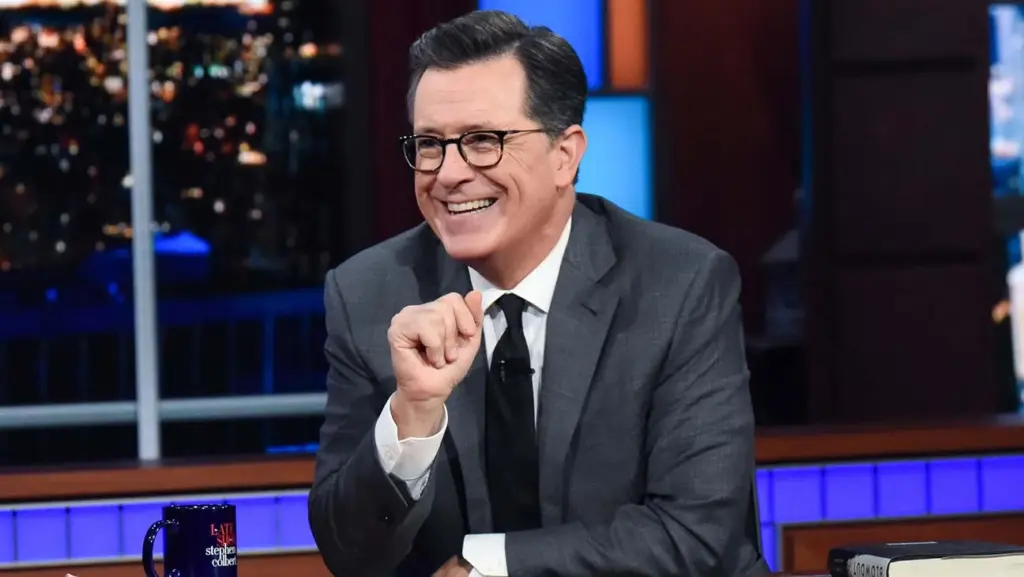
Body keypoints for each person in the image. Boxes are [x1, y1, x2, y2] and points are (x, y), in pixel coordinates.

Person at [308, 9, 767, 577]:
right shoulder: (369, 295)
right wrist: (412, 413)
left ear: (565, 155)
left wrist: (486, 566)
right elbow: (349, 555)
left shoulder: (679, 284)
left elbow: (695, 534)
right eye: (429, 144)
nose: (447, 173)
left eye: (483, 141)